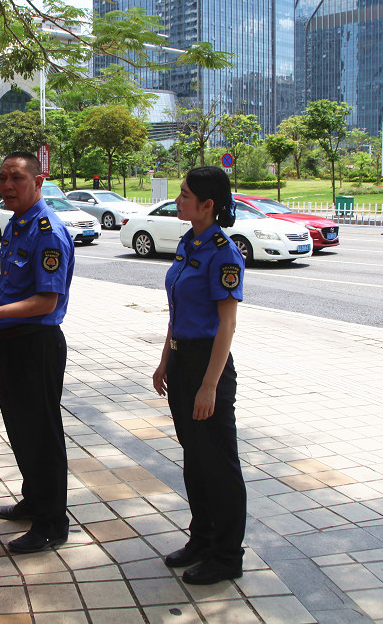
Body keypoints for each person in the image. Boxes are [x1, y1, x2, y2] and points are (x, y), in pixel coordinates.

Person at [0, 151, 74, 554]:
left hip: (36, 345)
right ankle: (34, 500)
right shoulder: (18, 224)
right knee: (21, 431)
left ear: (38, 181)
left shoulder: (47, 232)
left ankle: (52, 523)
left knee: (42, 435)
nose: (7, 185)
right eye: (3, 178)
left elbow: (47, 300)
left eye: (16, 177)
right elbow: (12, 284)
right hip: (10, 345)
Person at [151, 166, 246, 586]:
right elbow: (178, 310)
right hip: (182, 362)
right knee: (195, 459)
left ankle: (227, 556)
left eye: (185, 194)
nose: (178, 200)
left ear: (207, 205)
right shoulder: (188, 242)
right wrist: (164, 361)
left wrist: (209, 385)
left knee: (219, 465)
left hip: (210, 366)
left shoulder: (224, 252)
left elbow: (227, 325)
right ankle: (202, 538)